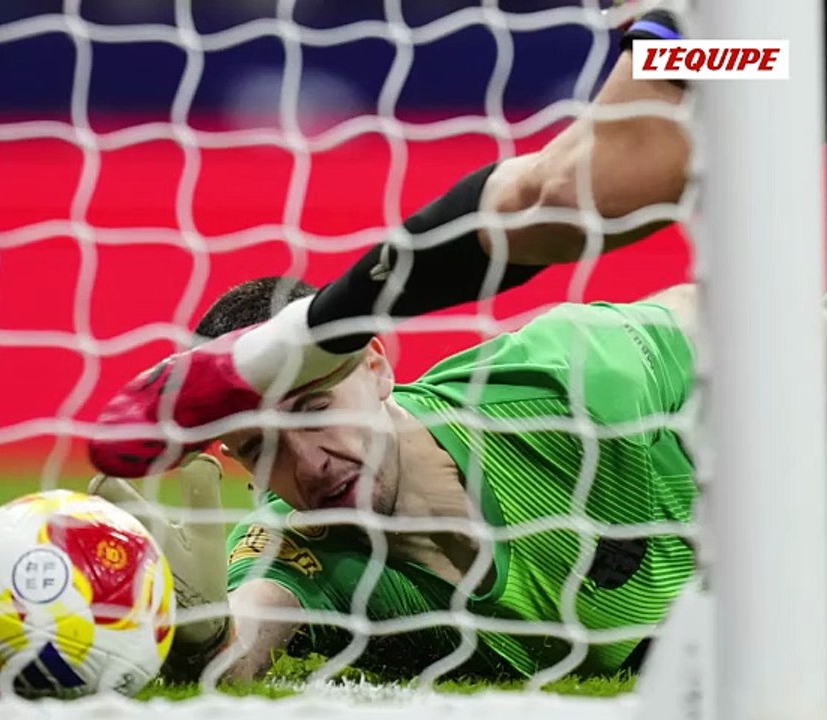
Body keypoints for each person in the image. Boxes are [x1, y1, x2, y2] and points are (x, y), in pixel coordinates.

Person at [85, 9, 699, 683]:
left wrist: (675, 36)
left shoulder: (575, 376)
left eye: (312, 405)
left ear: (376, 365)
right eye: (260, 447)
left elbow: (756, 326)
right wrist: (198, 638)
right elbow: (245, 629)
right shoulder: (304, 548)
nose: (308, 462)